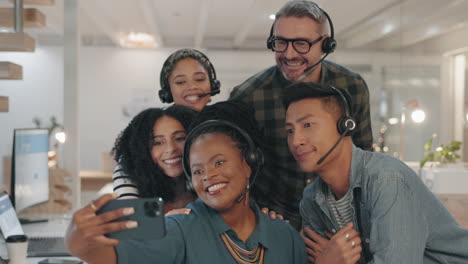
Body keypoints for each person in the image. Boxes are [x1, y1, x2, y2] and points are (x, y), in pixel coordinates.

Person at [65, 101, 307, 264]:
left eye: (219, 162)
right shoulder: (174, 223)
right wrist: (78, 241)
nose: (170, 149)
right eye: (198, 169)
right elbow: (120, 254)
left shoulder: (283, 234)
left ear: (249, 162)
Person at [283, 82, 468, 263]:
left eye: (307, 125)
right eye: (290, 130)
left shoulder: (387, 180)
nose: (295, 140)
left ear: (345, 126)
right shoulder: (311, 199)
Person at [229, 0, 373, 229]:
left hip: (341, 222)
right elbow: (235, 171)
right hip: (273, 223)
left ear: (326, 44)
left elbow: (364, 160)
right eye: (280, 43)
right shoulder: (248, 96)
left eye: (301, 44)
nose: (289, 54)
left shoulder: (352, 87)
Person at [112, 105, 197, 213]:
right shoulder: (133, 185)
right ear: (142, 150)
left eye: (180, 138)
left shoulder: (209, 187)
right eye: (158, 143)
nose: (171, 149)